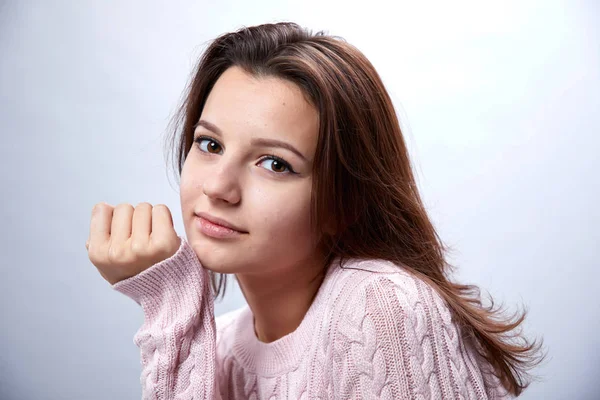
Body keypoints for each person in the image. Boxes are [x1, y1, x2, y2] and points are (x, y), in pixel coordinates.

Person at [86, 22, 545, 399]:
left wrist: (171, 302)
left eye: (275, 164)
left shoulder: (379, 306)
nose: (219, 187)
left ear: (342, 201)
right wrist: (171, 304)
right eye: (209, 144)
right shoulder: (221, 347)